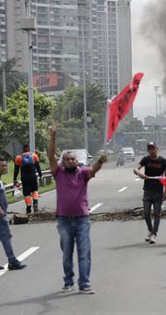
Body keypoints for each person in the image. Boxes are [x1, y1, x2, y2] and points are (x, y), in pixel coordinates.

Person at [48, 121, 107, 294]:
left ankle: (84, 283)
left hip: (82, 220)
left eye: (73, 159)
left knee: (84, 253)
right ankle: (68, 281)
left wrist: (100, 161)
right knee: (67, 254)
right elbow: (51, 155)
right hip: (64, 220)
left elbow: (93, 170)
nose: (70, 161)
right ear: (63, 162)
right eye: (67, 159)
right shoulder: (58, 173)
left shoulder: (82, 173)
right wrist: (53, 136)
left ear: (77, 160)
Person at [0, 158, 27, 271]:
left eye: (6, 165)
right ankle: (12, 261)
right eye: (2, 166)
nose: (5, 167)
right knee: (6, 237)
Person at [133, 142, 166, 244]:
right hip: (147, 190)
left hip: (158, 190)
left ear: (157, 149)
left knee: (157, 214)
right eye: (150, 149)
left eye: (153, 148)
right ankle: (150, 229)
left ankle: (154, 234)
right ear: (148, 150)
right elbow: (135, 169)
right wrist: (141, 174)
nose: (152, 150)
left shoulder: (163, 161)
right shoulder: (146, 159)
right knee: (146, 213)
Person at [13, 144, 43, 214]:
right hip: (33, 177)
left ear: (23, 149)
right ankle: (35, 204)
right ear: (29, 149)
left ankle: (28, 208)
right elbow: (38, 167)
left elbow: (16, 170)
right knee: (35, 190)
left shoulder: (18, 157)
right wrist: (40, 175)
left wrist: (14, 178)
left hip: (24, 178)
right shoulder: (34, 155)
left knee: (27, 193)